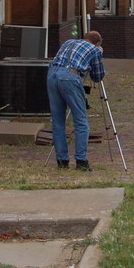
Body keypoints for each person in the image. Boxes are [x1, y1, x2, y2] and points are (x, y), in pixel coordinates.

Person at [47, 30, 105, 171]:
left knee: (58, 121)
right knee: (80, 121)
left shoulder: (69, 42)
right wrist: (99, 54)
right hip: (70, 77)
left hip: (52, 75)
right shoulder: (95, 50)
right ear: (97, 43)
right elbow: (97, 76)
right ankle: (81, 161)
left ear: (84, 38)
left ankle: (62, 161)